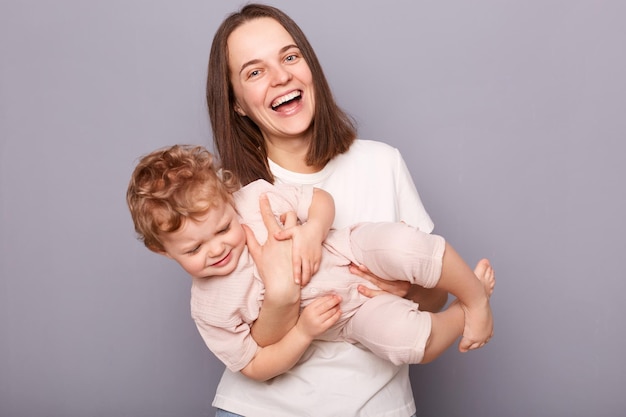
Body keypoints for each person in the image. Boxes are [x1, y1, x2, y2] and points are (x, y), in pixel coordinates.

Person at [205, 4, 495, 416]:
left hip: (378, 406)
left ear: (310, 67)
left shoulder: (382, 162)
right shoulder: (230, 200)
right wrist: (284, 293)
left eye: (290, 57)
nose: (280, 76)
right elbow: (249, 347)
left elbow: (432, 295)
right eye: (254, 72)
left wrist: (406, 290)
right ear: (236, 103)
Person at [126, 144, 495, 382]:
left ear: (229, 198)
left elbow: (319, 200)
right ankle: (463, 313)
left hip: (350, 249)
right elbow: (253, 365)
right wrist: (302, 332)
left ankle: (475, 299)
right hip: (346, 317)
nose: (215, 249)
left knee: (405, 246)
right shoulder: (209, 305)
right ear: (163, 250)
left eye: (223, 228)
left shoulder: (256, 199)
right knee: (406, 343)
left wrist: (314, 230)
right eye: (193, 250)